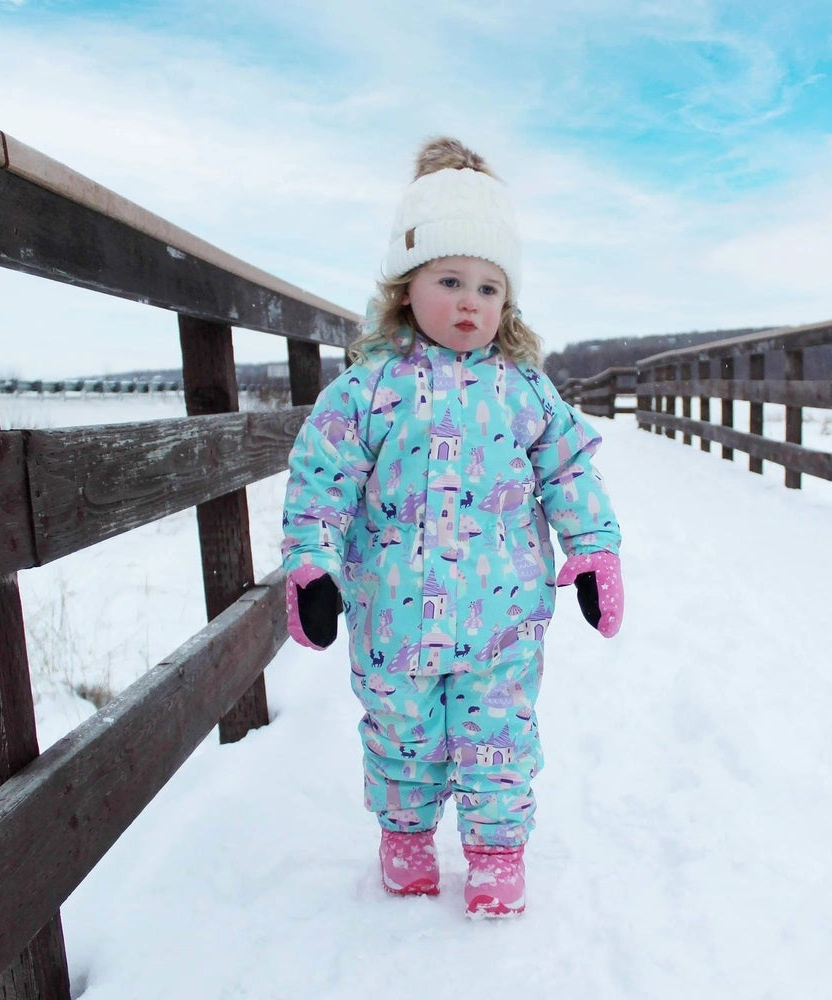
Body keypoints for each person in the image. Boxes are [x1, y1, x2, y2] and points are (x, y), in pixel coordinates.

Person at [280, 136, 623, 918]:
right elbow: (321, 479)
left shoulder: (526, 392)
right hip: (391, 617)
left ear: (509, 304)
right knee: (400, 732)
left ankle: (498, 851)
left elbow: (570, 470)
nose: (470, 302)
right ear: (406, 289)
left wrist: (595, 549)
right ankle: (404, 839)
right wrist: (311, 561)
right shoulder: (367, 392)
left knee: (499, 735)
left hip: (502, 619)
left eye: (489, 288)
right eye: (450, 279)